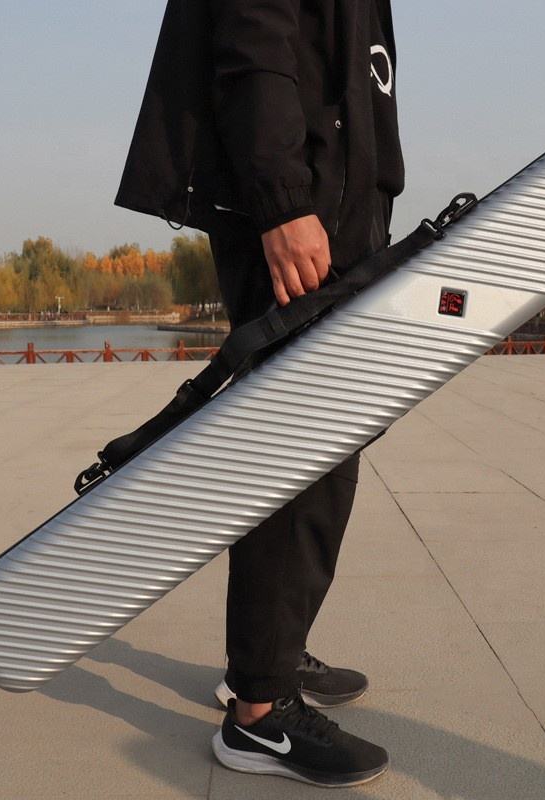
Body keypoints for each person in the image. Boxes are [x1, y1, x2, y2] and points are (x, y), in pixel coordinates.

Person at [114, 0, 404, 787]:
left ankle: (272, 654)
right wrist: (284, 202)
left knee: (327, 452)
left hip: (338, 204)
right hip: (296, 206)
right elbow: (252, 41)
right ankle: (259, 715)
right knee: (294, 454)